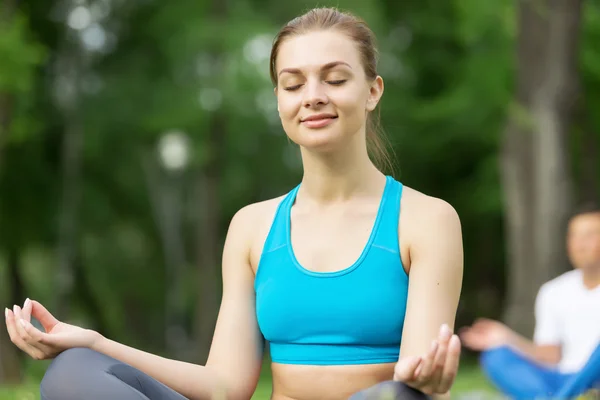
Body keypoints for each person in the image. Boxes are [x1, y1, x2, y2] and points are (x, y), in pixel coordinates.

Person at [4, 7, 464, 400]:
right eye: (293, 84)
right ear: (279, 100)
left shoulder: (425, 220)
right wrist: (96, 341)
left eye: (335, 78)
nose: (313, 97)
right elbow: (223, 385)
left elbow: (416, 379)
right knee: (74, 373)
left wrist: (425, 381)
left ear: (372, 90)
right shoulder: (253, 226)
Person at [460, 204, 600, 399]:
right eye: (574, 236)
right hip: (561, 378)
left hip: (595, 377)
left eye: (589, 235)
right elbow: (549, 357)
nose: (580, 244)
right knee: (496, 356)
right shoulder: (554, 291)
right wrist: (507, 339)